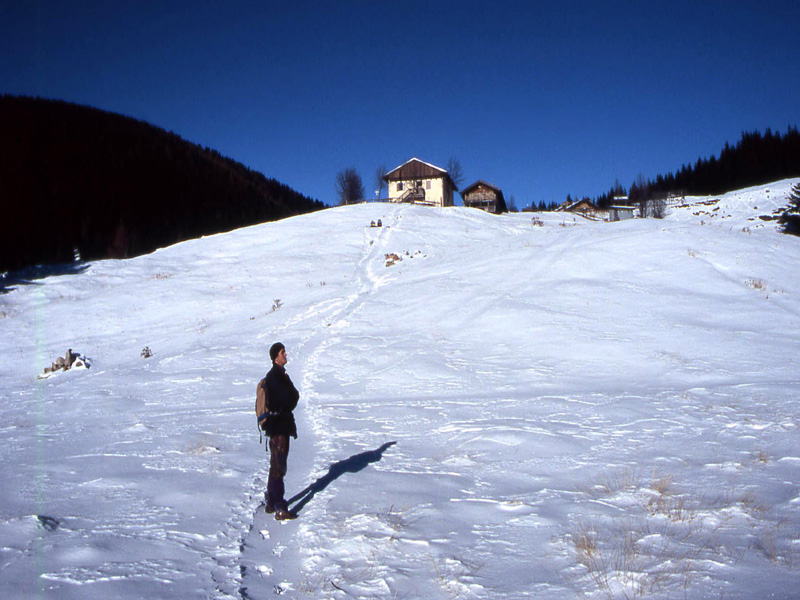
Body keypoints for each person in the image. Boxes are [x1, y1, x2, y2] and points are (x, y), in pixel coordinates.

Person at [263, 342, 300, 520]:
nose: (286, 355)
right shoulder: (275, 377)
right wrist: (290, 400)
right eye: (283, 352)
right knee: (279, 466)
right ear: (276, 356)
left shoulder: (278, 375)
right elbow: (290, 397)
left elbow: (293, 395)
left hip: (278, 425)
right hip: (279, 425)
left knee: (275, 464)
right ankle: (279, 506)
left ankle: (271, 501)